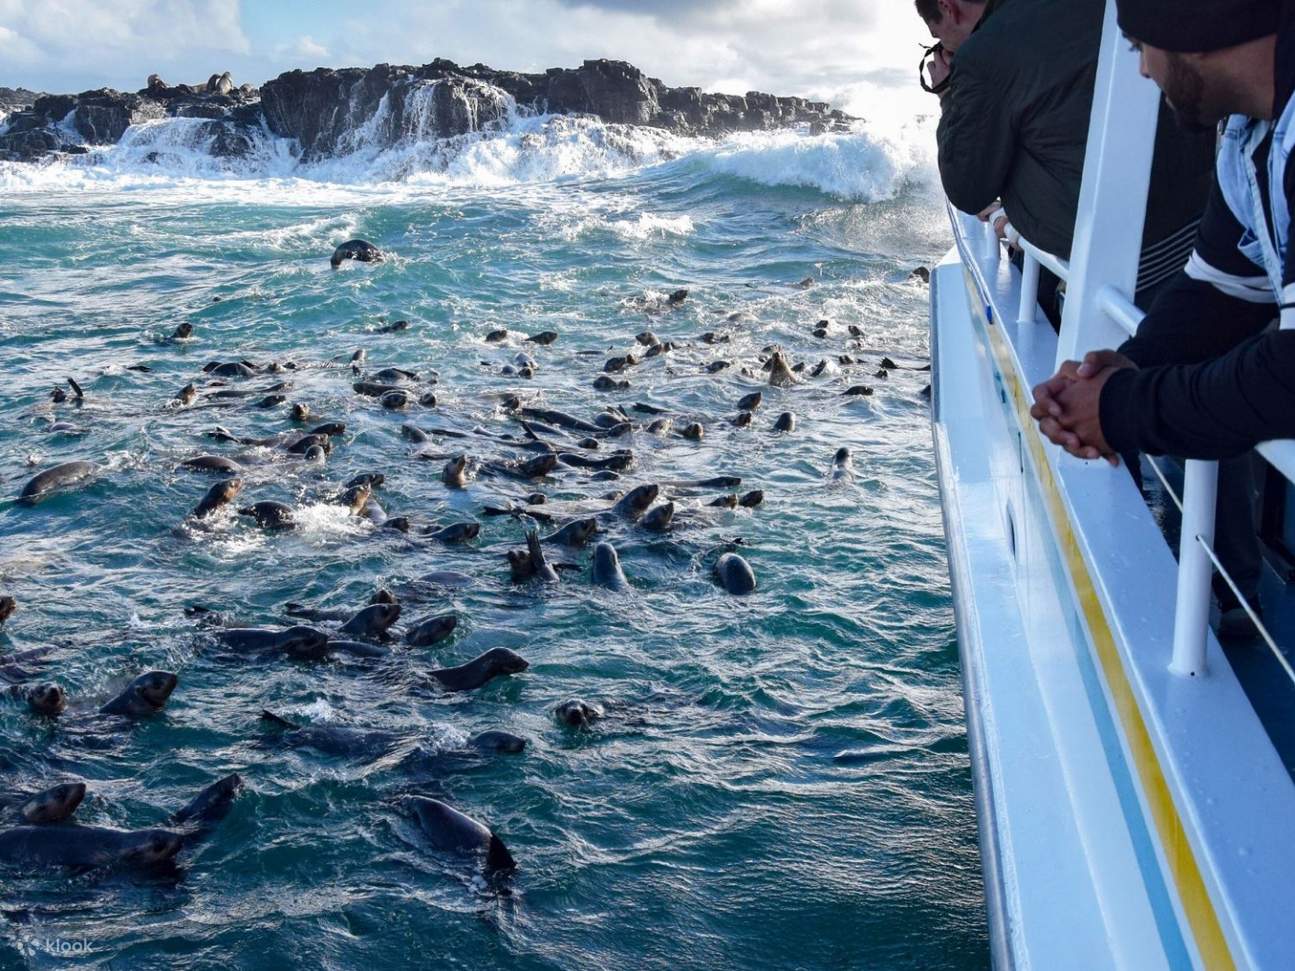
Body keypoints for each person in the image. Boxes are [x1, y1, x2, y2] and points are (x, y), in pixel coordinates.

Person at [1031, 0, 1295, 634]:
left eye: (1139, 44)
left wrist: (1119, 409)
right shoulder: (1250, 136)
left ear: (1193, 31)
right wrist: (1132, 362)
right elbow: (1221, 290)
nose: (1144, 71)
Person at [918, 0, 1215, 324]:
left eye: (938, 35)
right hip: (1202, 224)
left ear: (949, 8)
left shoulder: (983, 55)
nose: (945, 47)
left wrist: (949, 94)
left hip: (1121, 268)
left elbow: (967, 188)